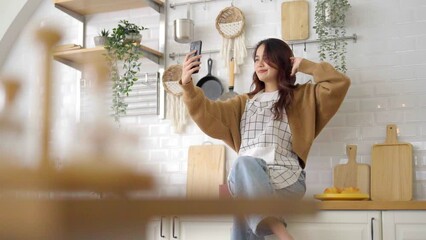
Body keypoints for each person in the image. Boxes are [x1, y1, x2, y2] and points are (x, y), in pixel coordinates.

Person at [180, 38, 350, 240]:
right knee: (244, 167)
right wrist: (188, 85)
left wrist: (305, 65)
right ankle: (280, 231)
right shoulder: (242, 103)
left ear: (283, 61)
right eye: (257, 58)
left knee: (243, 201)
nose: (260, 64)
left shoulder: (304, 96)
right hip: (247, 177)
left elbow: (339, 83)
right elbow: (206, 111)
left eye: (267, 59)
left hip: (287, 181)